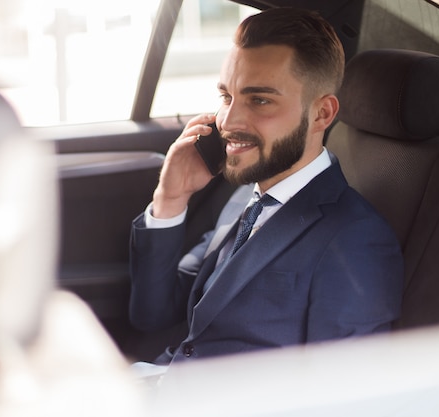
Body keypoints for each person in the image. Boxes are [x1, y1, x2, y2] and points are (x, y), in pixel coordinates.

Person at [129, 7, 403, 365]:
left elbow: (341, 397)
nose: (227, 121)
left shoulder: (355, 239)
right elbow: (152, 315)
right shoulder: (244, 197)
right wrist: (170, 199)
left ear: (321, 114)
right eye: (227, 97)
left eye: (259, 100)